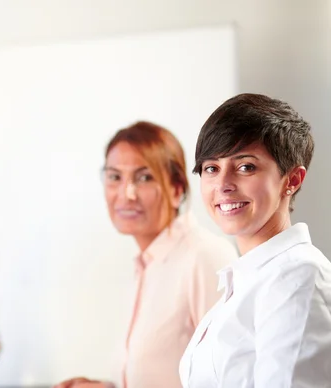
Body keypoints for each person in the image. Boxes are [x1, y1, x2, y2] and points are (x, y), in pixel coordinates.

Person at [55, 121, 237, 388]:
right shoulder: (147, 265)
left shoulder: (204, 256)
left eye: (144, 178)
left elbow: (230, 380)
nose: (126, 195)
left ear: (177, 190)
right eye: (115, 177)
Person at [179, 93, 331, 387]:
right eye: (211, 168)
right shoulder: (247, 279)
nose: (223, 185)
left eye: (246, 166)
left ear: (292, 180)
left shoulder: (296, 277)